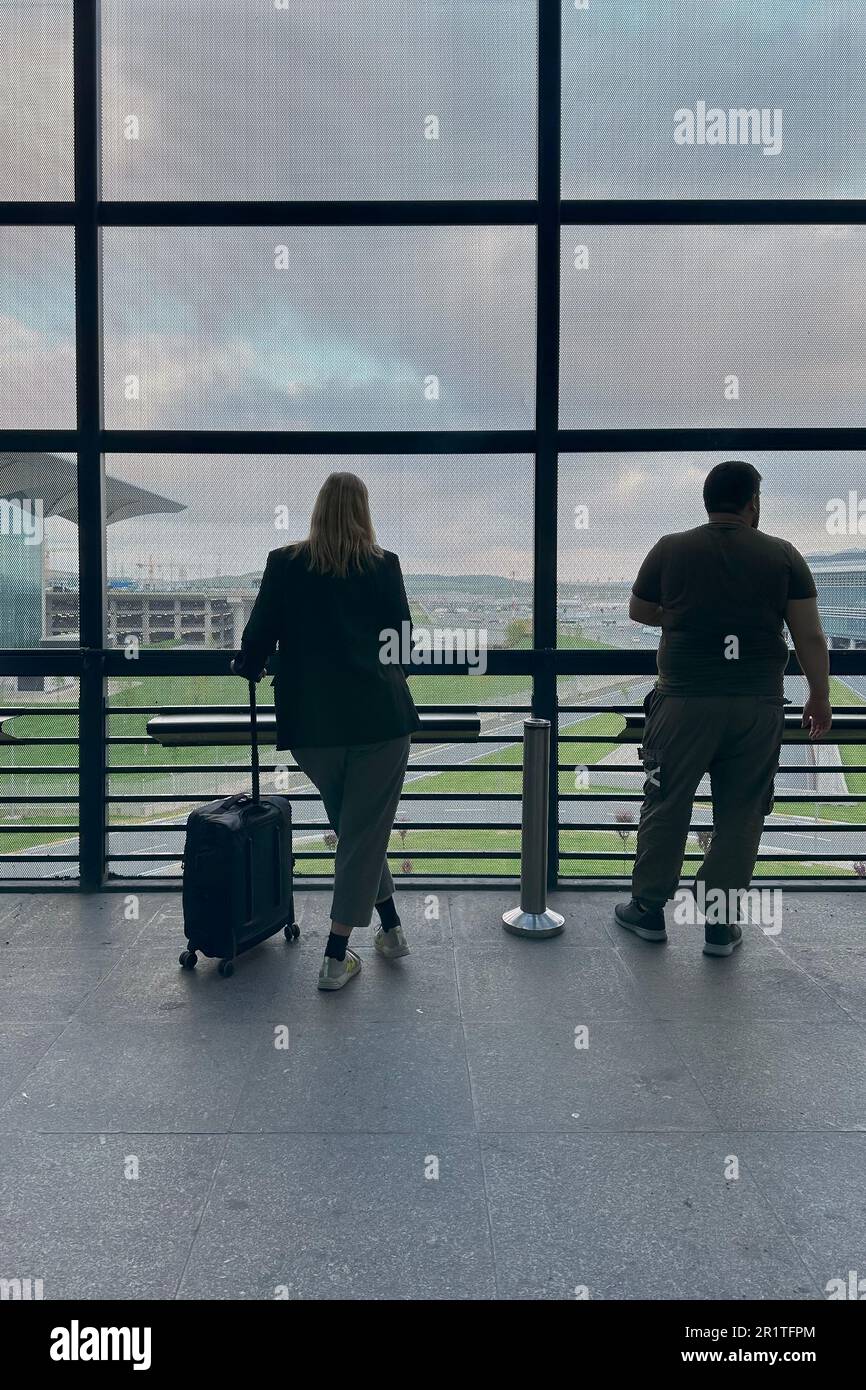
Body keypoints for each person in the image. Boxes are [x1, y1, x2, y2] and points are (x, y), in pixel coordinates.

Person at [616, 460, 832, 956]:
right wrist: (819, 695)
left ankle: (648, 911)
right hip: (756, 705)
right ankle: (718, 923)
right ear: (753, 502)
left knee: (666, 802)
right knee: (741, 813)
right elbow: (810, 635)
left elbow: (638, 610)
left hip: (683, 702)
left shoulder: (671, 548)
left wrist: (687, 615)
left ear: (708, 502)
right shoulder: (783, 556)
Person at [231, 472, 421, 990]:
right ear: (364, 510)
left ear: (316, 510)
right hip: (380, 720)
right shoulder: (384, 566)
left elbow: (256, 642)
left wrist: (256, 663)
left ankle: (392, 930)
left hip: (312, 726)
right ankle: (336, 957)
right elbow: (402, 643)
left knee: (359, 831)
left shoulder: (284, 563)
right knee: (362, 834)